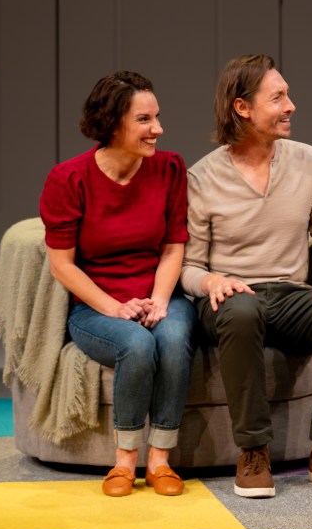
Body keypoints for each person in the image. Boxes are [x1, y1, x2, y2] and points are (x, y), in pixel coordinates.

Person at [181, 54, 312, 498]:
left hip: (290, 295)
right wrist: (212, 282)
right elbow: (188, 267)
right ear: (242, 108)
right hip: (230, 300)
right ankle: (253, 451)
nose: (291, 106)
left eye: (288, 95)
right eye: (279, 97)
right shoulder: (203, 176)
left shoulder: (309, 161)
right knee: (242, 309)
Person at [39, 72, 195, 497]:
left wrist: (161, 301)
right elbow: (63, 266)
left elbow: (173, 245)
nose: (157, 129)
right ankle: (126, 459)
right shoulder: (68, 179)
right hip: (97, 305)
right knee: (137, 345)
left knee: (175, 335)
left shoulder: (169, 167)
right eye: (144, 120)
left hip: (159, 291)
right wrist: (114, 307)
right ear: (112, 124)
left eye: (157, 117)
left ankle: (161, 457)